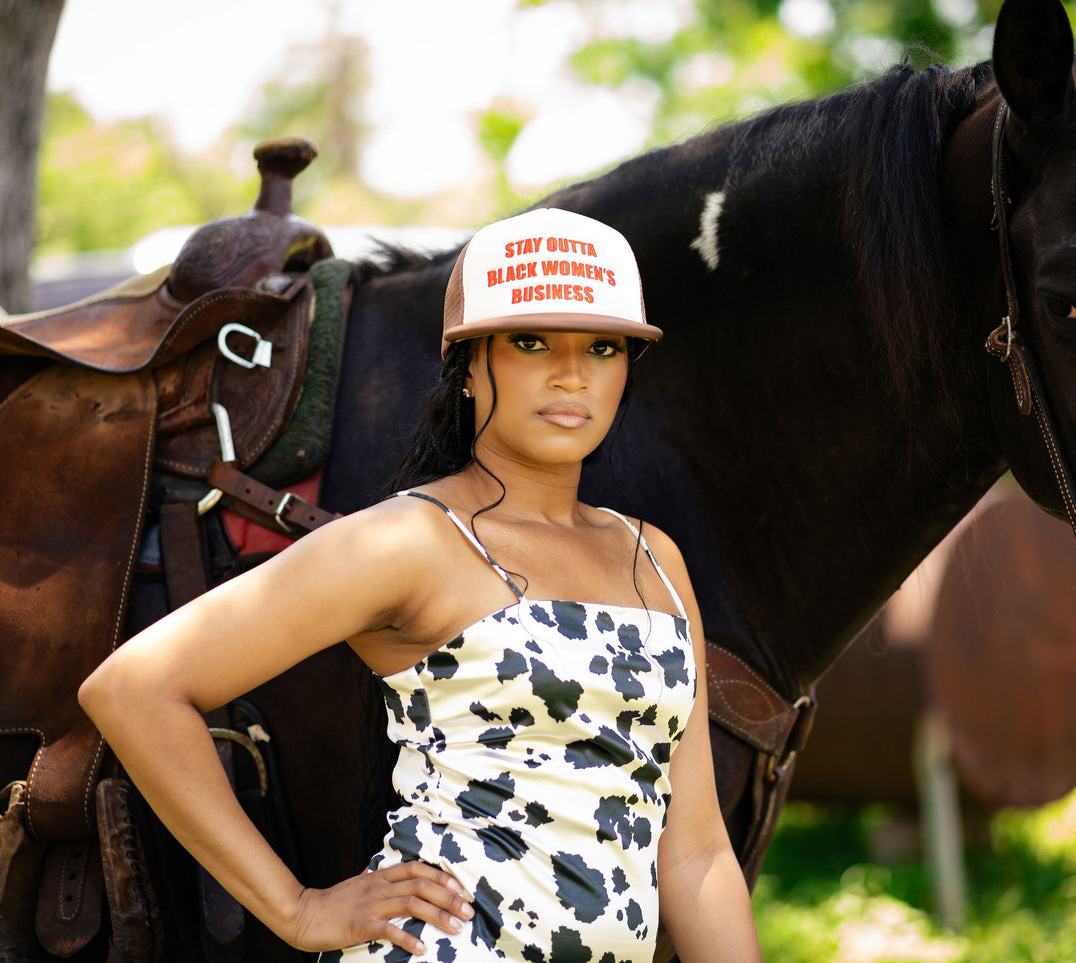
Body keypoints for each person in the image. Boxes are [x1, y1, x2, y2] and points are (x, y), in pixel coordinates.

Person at [80, 207, 763, 963]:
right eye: (530, 341)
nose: (571, 373)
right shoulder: (412, 539)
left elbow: (697, 854)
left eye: (602, 346)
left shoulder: (652, 557)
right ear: (469, 365)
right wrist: (298, 909)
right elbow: (133, 689)